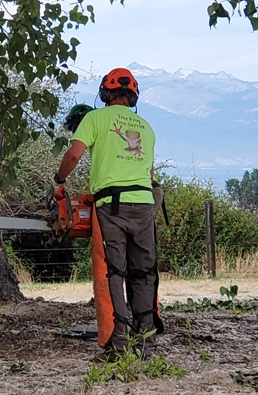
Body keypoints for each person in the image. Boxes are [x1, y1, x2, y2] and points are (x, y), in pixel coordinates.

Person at [52, 67, 163, 361]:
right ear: (133, 95)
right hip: (144, 204)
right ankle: (145, 346)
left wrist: (59, 181)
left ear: (105, 93)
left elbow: (74, 154)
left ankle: (118, 346)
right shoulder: (146, 127)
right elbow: (149, 174)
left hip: (111, 206)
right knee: (143, 274)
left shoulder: (94, 118)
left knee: (114, 273)